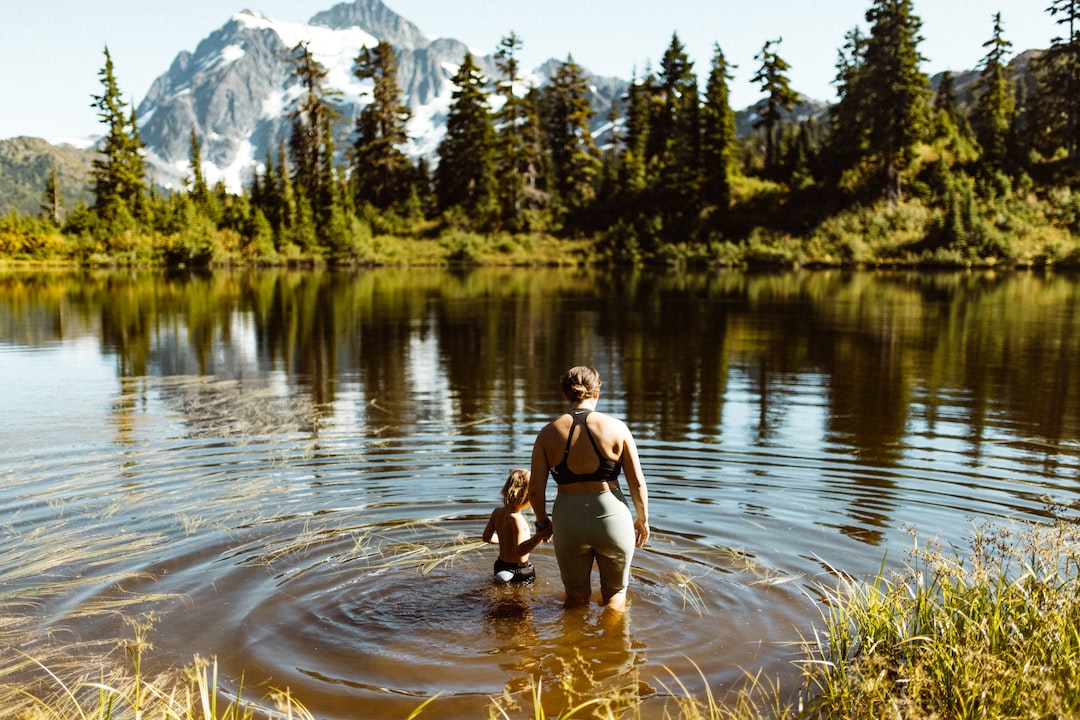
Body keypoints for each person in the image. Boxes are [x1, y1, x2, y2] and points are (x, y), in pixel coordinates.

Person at [529, 366, 649, 611]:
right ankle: (614, 646)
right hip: (612, 517)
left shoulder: (547, 433)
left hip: (568, 519)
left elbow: (535, 490)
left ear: (566, 395)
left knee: (575, 598)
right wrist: (642, 519)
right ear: (597, 393)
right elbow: (636, 482)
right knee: (615, 596)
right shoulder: (617, 428)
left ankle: (572, 644)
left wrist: (542, 522)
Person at [483, 468, 547, 584]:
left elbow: (486, 538)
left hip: (500, 565)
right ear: (528, 496)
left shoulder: (497, 512)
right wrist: (539, 536)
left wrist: (505, 541)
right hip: (518, 571)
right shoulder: (517, 520)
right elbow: (520, 551)